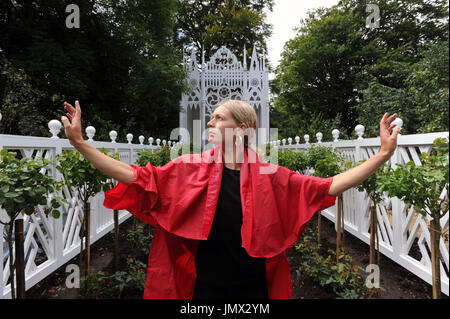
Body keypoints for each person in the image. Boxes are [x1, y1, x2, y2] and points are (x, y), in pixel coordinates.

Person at [61, 99, 400, 299]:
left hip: (254, 291)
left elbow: (327, 187)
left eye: (219, 117)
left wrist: (383, 155)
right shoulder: (187, 168)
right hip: (201, 290)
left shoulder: (272, 175)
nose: (210, 121)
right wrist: (80, 143)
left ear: (242, 128)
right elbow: (135, 176)